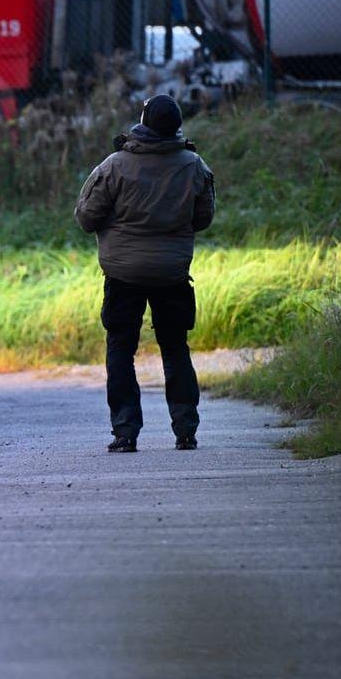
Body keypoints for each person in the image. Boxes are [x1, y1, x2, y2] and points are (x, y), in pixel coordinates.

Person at [74, 95, 215, 452]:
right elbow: (204, 218)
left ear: (143, 121)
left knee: (121, 348)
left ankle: (125, 431)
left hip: (123, 274)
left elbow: (86, 217)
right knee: (175, 348)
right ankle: (185, 429)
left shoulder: (114, 166)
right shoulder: (194, 165)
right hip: (172, 273)